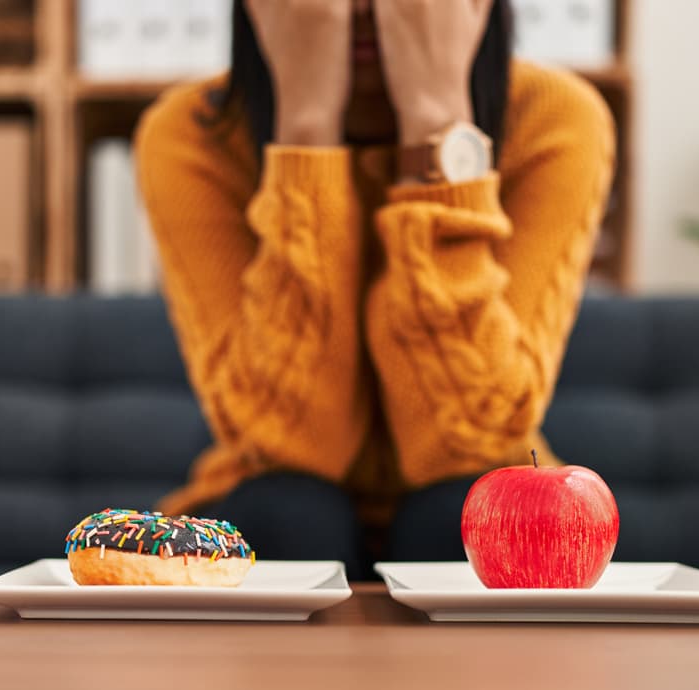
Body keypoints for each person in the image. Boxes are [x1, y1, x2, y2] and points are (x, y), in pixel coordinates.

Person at [136, 0, 615, 577]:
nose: (359, 10)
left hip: (472, 498)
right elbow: (285, 442)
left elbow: (472, 437)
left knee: (456, 512)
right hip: (277, 512)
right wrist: (306, 129)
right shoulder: (189, 134)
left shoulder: (555, 119)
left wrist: (439, 123)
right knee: (291, 512)